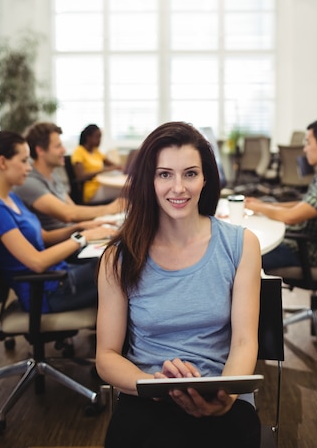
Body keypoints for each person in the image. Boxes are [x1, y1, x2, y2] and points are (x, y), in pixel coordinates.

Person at [96, 122, 262, 448]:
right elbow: (106, 355)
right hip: (145, 393)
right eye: (164, 174)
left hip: (221, 391)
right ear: (149, 180)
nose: (178, 188)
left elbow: (244, 342)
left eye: (189, 173)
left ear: (205, 179)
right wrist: (153, 384)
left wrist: (226, 394)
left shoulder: (241, 244)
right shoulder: (119, 257)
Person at [0, 131, 113, 313]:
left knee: (109, 261)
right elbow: (37, 262)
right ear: (2, 162)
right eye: (23, 161)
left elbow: (43, 237)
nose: (29, 168)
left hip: (58, 276)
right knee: (119, 269)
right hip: (46, 292)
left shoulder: (11, 197)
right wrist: (82, 238)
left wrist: (79, 227)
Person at [245, 117, 317, 272]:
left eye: (308, 142)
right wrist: (264, 205)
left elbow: (291, 216)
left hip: (305, 251)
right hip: (298, 242)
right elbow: (303, 204)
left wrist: (260, 208)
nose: (305, 149)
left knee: (240, 258)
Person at [15, 122, 124, 234]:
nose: (64, 150)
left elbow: (73, 209)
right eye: (58, 146)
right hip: (64, 244)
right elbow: (68, 214)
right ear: (40, 151)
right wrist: (109, 209)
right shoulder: (30, 181)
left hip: (76, 235)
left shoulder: (53, 175)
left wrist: (97, 225)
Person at [72, 124, 125, 204]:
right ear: (88, 137)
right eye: (97, 137)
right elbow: (81, 176)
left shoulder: (96, 151)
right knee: (126, 192)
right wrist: (103, 170)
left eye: (100, 137)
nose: (100, 140)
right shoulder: (79, 151)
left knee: (127, 190)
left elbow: (113, 165)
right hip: (91, 191)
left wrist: (122, 167)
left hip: (101, 185)